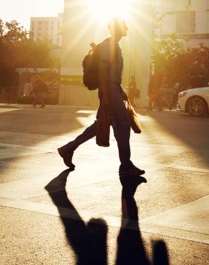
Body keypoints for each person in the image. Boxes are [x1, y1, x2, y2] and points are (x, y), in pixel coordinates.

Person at [57, 18, 145, 177]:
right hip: (109, 90)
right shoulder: (108, 46)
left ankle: (68, 149)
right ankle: (126, 165)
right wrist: (106, 94)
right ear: (117, 29)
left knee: (102, 124)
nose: (127, 28)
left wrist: (119, 91)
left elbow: (112, 73)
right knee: (123, 123)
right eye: (124, 26)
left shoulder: (114, 46)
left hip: (113, 89)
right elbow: (103, 71)